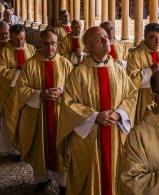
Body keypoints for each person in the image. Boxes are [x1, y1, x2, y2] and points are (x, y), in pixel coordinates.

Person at [57, 26, 137, 195]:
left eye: (105, 36)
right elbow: (68, 103)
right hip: (89, 138)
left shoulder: (119, 70)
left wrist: (118, 113)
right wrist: (94, 117)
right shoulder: (78, 73)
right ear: (88, 47)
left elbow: (131, 96)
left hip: (115, 134)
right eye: (99, 39)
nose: (105, 39)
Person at [14, 29, 73, 193]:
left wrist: (61, 91)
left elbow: (75, 89)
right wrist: (39, 94)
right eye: (46, 44)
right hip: (39, 116)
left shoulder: (66, 64)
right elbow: (21, 88)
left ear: (58, 44)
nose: (50, 48)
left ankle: (63, 184)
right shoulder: (30, 64)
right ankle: (43, 178)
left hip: (60, 115)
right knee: (41, 145)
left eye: (53, 43)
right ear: (40, 44)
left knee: (60, 149)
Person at [0, 24, 36, 156]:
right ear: (11, 37)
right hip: (12, 94)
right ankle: (15, 149)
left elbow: (37, 68)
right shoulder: (5, 52)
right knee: (13, 120)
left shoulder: (31, 49)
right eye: (16, 39)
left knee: (28, 121)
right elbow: (0, 72)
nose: (20, 42)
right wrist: (19, 74)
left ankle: (29, 146)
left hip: (29, 93)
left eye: (22, 38)